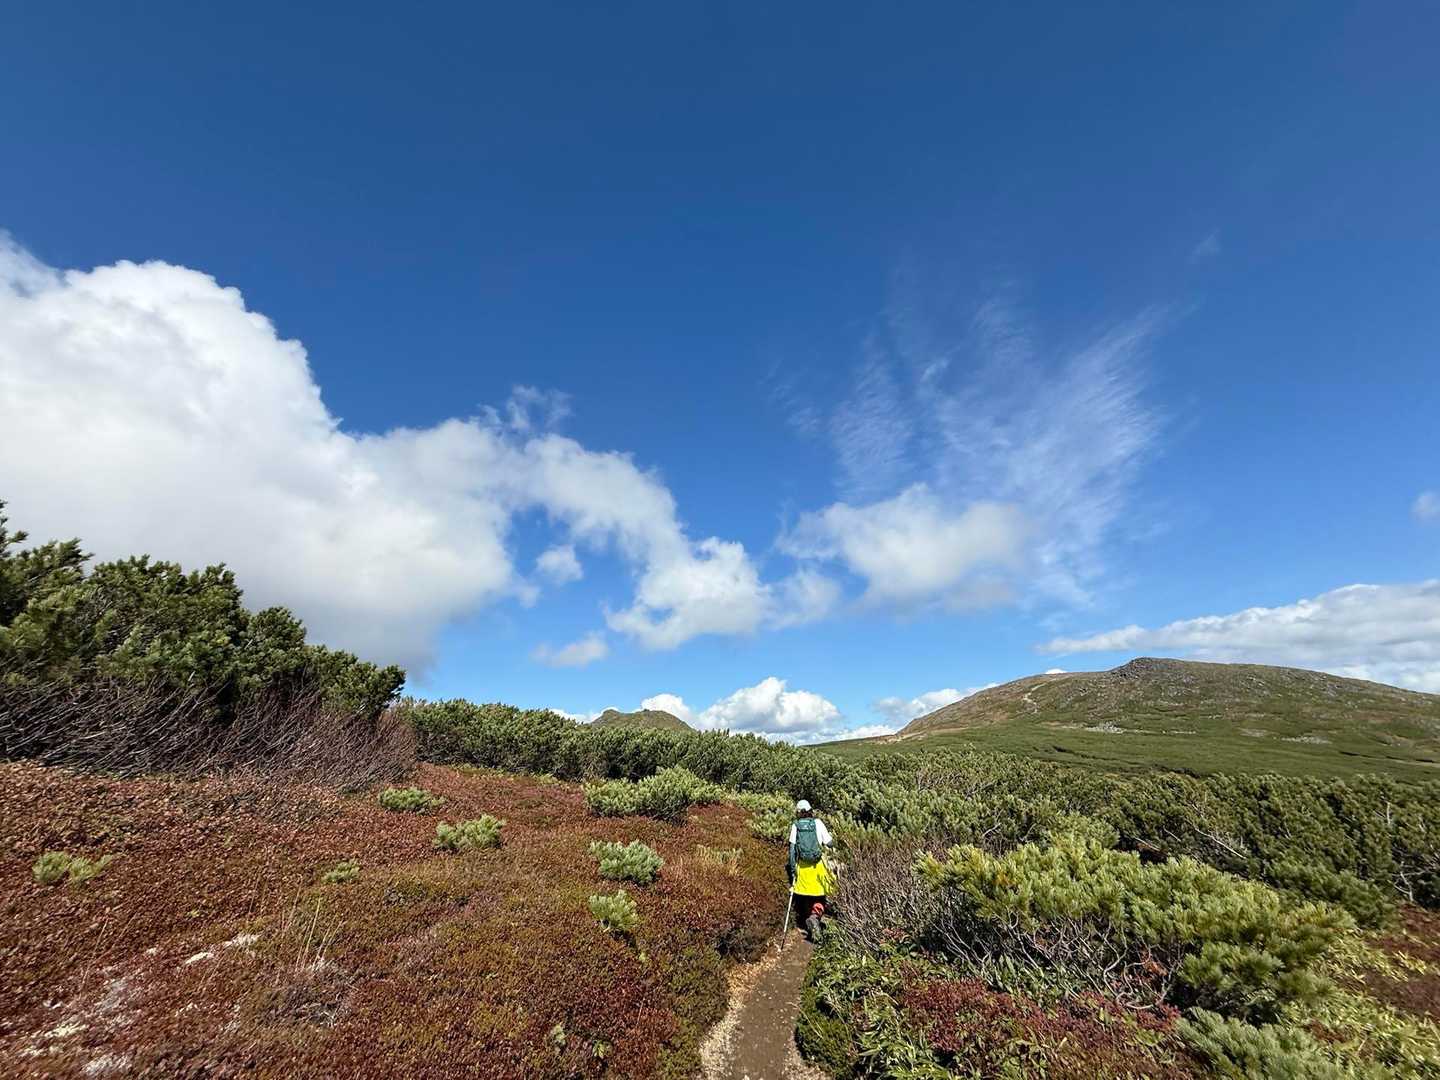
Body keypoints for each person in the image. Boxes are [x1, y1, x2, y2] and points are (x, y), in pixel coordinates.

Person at [788, 799, 834, 942]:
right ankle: (815, 917)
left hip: (802, 867)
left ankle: (809, 918)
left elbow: (792, 850)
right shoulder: (818, 823)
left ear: (798, 812)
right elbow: (829, 843)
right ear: (810, 810)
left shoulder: (795, 826)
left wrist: (793, 870)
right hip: (817, 866)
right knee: (820, 896)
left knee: (806, 896)